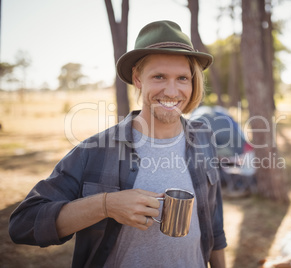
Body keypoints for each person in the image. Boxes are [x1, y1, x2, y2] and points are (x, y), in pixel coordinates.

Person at [9, 20, 227, 268]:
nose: (172, 90)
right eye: (158, 76)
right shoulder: (96, 151)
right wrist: (106, 205)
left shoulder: (203, 138)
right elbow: (23, 224)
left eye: (182, 78)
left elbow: (214, 223)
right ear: (137, 78)